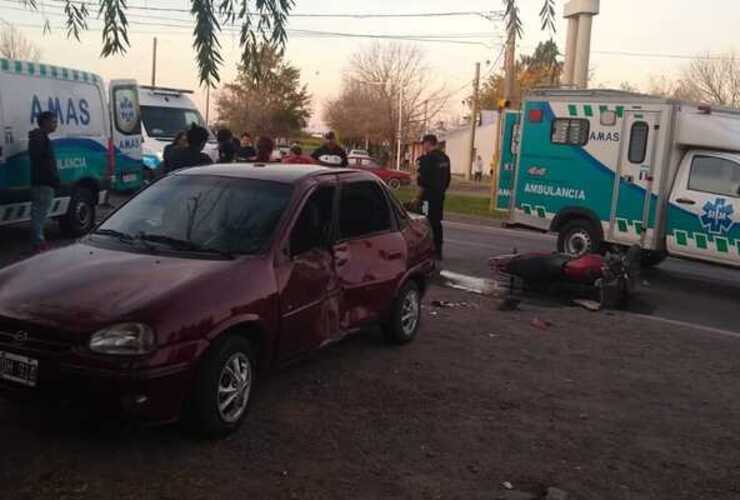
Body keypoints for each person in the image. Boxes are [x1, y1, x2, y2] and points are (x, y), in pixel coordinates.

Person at [415, 134, 451, 260]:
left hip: (427, 198)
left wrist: (417, 198)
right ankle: (438, 250)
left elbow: (422, 182)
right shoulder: (445, 158)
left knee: (426, 222)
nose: (423, 146)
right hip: (440, 196)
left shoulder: (427, 159)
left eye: (423, 143)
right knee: (437, 222)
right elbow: (447, 179)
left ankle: (428, 250)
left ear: (428, 143)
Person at [29, 111, 59, 252]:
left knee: (39, 212)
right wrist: (53, 179)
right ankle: (39, 243)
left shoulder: (40, 137)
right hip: (43, 182)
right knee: (40, 213)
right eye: (53, 121)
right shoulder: (40, 138)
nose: (55, 124)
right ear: (45, 122)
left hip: (42, 181)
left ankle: (39, 241)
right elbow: (44, 163)